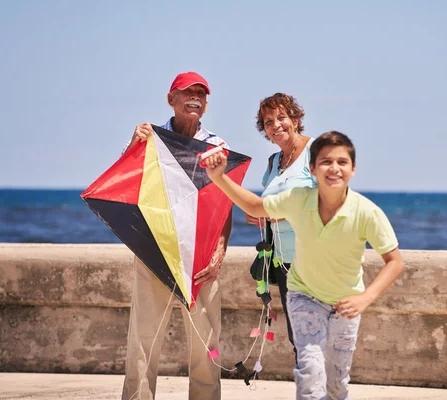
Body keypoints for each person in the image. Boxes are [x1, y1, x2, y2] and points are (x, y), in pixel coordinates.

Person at [203, 131, 404, 400]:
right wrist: (219, 177)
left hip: (346, 304)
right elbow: (255, 206)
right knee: (310, 372)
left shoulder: (366, 212)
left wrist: (365, 298)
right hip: (304, 297)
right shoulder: (298, 199)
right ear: (312, 168)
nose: (334, 168)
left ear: (353, 169)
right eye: (325, 162)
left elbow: (395, 262)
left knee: (336, 382)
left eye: (342, 162)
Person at [122, 71, 231, 400]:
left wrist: (219, 253)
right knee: (141, 344)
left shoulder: (219, 147)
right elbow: (123, 184)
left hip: (201, 260)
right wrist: (133, 145)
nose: (195, 97)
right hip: (155, 251)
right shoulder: (150, 139)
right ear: (172, 99)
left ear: (207, 103)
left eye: (201, 93)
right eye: (188, 92)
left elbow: (224, 206)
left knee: (205, 348)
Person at [245, 93, 316, 360]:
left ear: (296, 119)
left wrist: (281, 215)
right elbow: (268, 206)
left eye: (282, 117)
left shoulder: (316, 151)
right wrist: (258, 216)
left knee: (317, 339)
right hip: (284, 262)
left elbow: (331, 202)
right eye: (268, 121)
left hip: (314, 261)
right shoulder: (274, 162)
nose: (276, 125)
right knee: (298, 338)